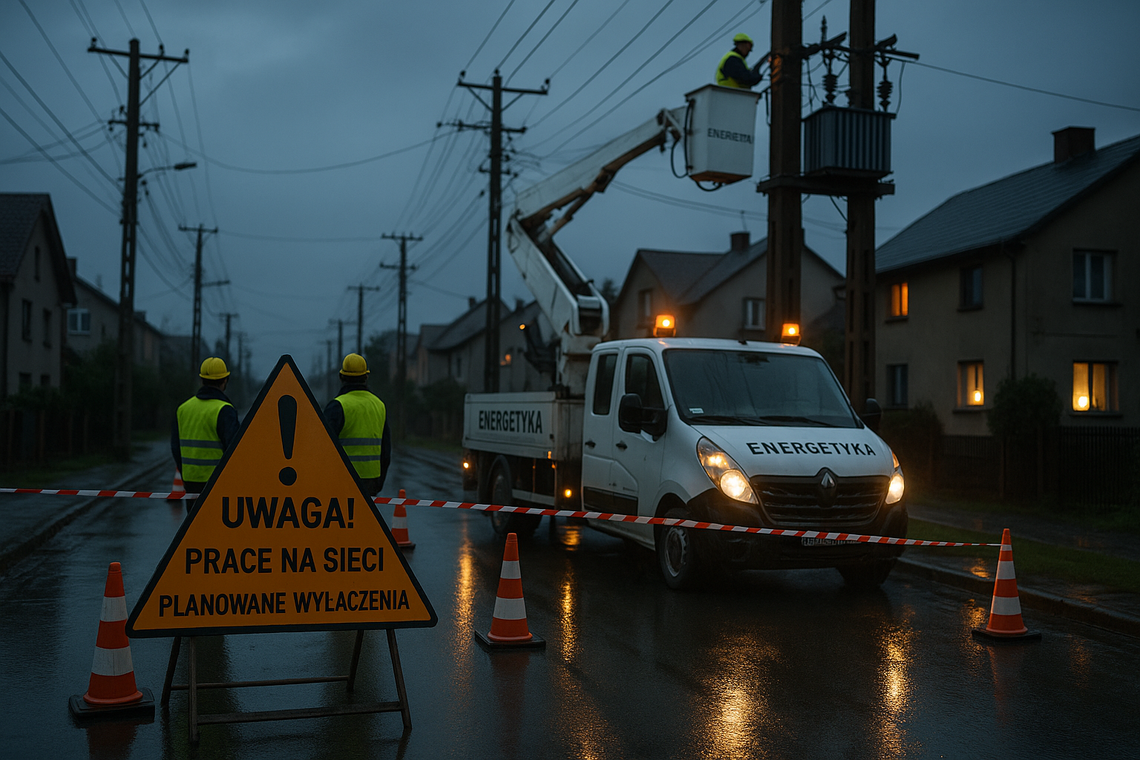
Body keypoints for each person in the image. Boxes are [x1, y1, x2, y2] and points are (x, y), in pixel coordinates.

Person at [172, 357, 240, 502]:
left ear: (202, 380)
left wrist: (185, 473)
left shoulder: (183, 408)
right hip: (218, 482)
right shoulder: (224, 410)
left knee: (195, 524)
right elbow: (235, 450)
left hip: (190, 481)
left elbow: (175, 448)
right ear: (225, 380)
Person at [324, 353, 392, 497]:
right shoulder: (379, 405)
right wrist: (378, 483)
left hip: (342, 480)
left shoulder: (338, 406)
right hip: (371, 481)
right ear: (366, 377)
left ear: (341, 377)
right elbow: (386, 450)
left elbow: (323, 449)